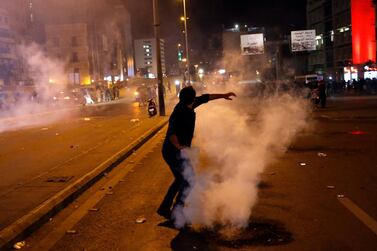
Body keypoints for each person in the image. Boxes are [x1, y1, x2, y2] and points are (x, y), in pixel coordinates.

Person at [157, 86, 236, 220]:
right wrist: (179, 146)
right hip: (173, 152)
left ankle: (165, 208)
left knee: (180, 179)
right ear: (191, 99)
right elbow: (172, 134)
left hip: (182, 151)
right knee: (189, 180)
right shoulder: (179, 112)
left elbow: (207, 97)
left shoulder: (191, 103)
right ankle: (177, 211)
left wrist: (223, 94)